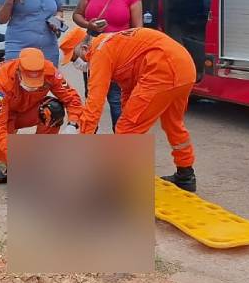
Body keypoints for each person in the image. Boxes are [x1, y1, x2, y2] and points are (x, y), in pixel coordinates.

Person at [61, 27, 198, 192]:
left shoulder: (99, 52)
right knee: (173, 123)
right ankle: (185, 175)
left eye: (75, 57)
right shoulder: (113, 43)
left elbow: (94, 103)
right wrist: (128, 112)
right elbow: (128, 85)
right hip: (185, 69)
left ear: (84, 48)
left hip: (162, 69)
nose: (77, 62)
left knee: (126, 129)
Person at [0, 47, 83, 183]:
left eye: (37, 83)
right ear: (18, 72)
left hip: (24, 109)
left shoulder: (50, 72)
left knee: (53, 110)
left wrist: (73, 125)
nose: (33, 87)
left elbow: (72, 99)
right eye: (29, 83)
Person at [71, 0, 142, 131]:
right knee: (92, 99)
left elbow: (138, 30)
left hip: (120, 56)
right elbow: (76, 15)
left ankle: (120, 144)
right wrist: (89, 24)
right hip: (93, 51)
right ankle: (89, 140)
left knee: (117, 100)